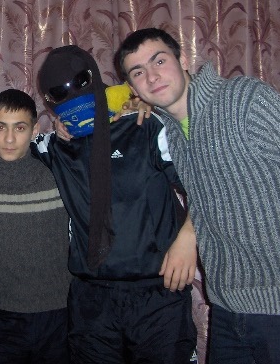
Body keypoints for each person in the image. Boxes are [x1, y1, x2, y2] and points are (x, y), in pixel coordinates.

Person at [117, 28, 280, 363]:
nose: (152, 76)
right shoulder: (172, 131)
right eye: (139, 72)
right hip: (227, 310)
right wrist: (66, 123)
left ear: (183, 60)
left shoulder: (244, 99)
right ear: (133, 87)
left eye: (159, 61)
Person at [35, 45, 198, 363]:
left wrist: (188, 238)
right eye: (59, 92)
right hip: (92, 300)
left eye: (79, 82)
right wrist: (56, 127)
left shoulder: (145, 126)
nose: (71, 94)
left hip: (158, 292)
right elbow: (6, 148)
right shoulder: (54, 147)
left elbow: (206, 185)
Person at [0, 89, 72, 363]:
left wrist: (129, 108)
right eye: (1, 127)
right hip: (0, 321)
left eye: (20, 128)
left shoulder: (58, 169)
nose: (10, 139)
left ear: (35, 129)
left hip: (60, 317)